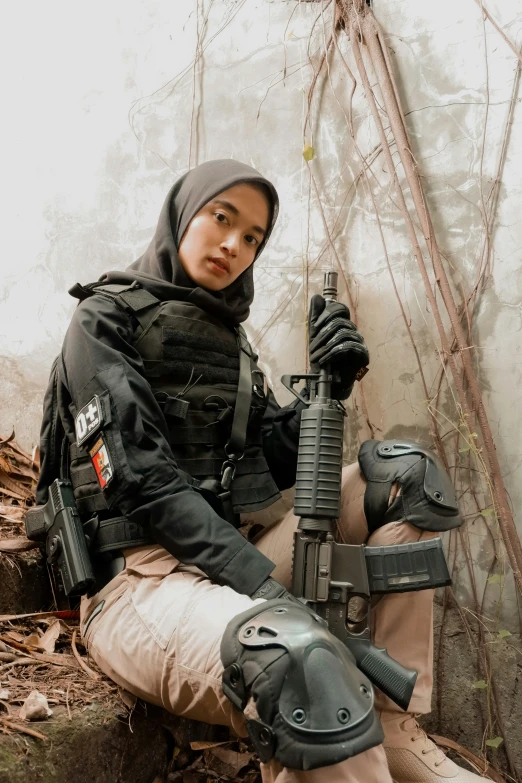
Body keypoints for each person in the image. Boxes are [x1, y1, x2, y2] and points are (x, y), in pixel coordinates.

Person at [35, 159, 482, 783]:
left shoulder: (230, 340)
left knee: (404, 480)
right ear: (183, 213)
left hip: (228, 563)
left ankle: (395, 724)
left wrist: (332, 386)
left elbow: (265, 460)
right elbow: (140, 477)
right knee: (293, 658)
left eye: (252, 238)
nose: (233, 246)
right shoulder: (103, 320)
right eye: (223, 218)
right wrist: (262, 585)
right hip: (140, 584)